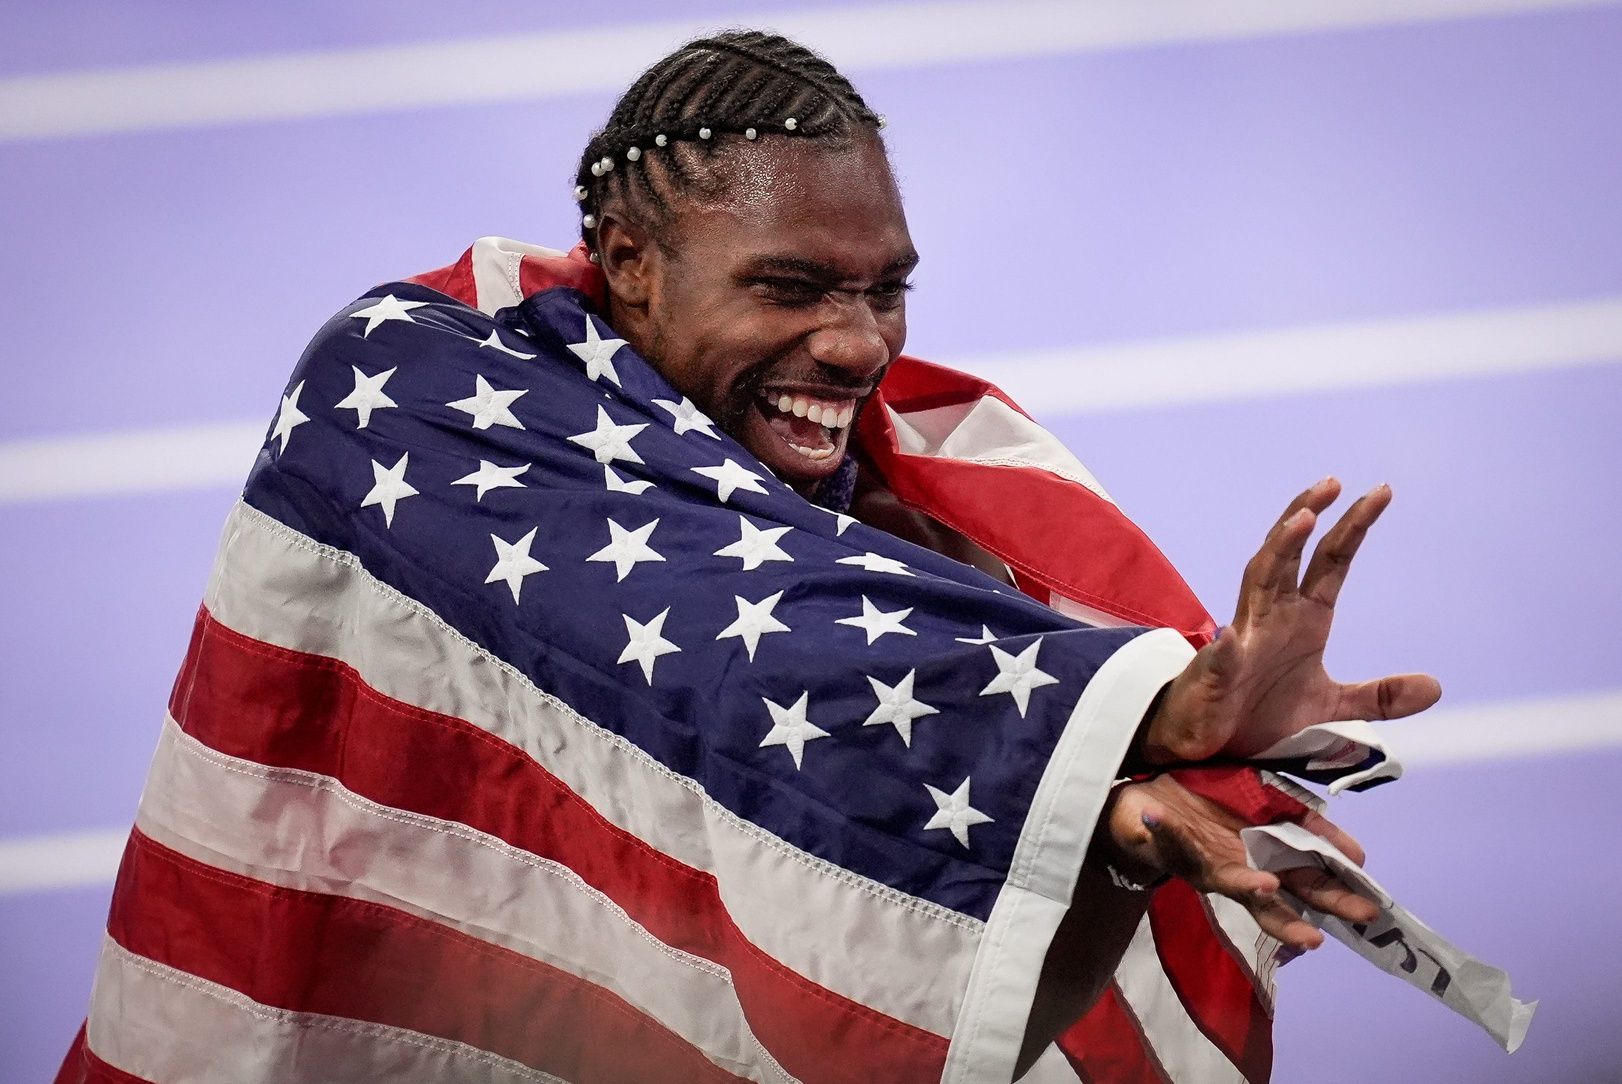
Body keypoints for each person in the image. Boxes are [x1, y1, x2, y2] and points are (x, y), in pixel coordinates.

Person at [57, 29, 1439, 1084]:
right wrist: (1132, 715)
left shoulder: (912, 501)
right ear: (628, 262)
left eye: (882, 286)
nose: (858, 345)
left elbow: (881, 895)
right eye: (789, 287)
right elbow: (734, 638)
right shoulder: (412, 386)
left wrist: (1109, 820)